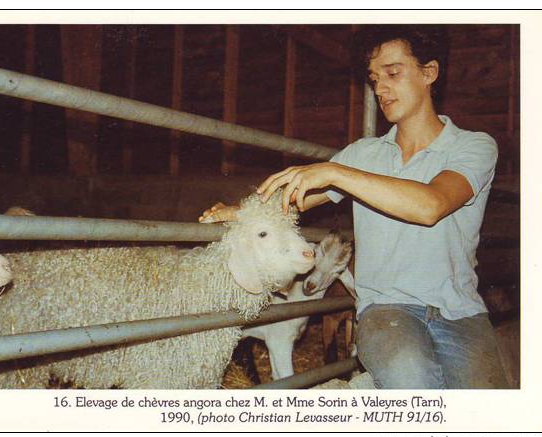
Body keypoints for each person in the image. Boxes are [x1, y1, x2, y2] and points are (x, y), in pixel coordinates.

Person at [200, 26, 508, 389]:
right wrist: (237, 212)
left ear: (429, 73)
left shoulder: (473, 146)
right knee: (414, 383)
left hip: (462, 313)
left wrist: (336, 172)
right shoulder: (363, 154)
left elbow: (432, 205)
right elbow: (292, 199)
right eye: (375, 78)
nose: (379, 88)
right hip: (387, 311)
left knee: (487, 407)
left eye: (392, 73)